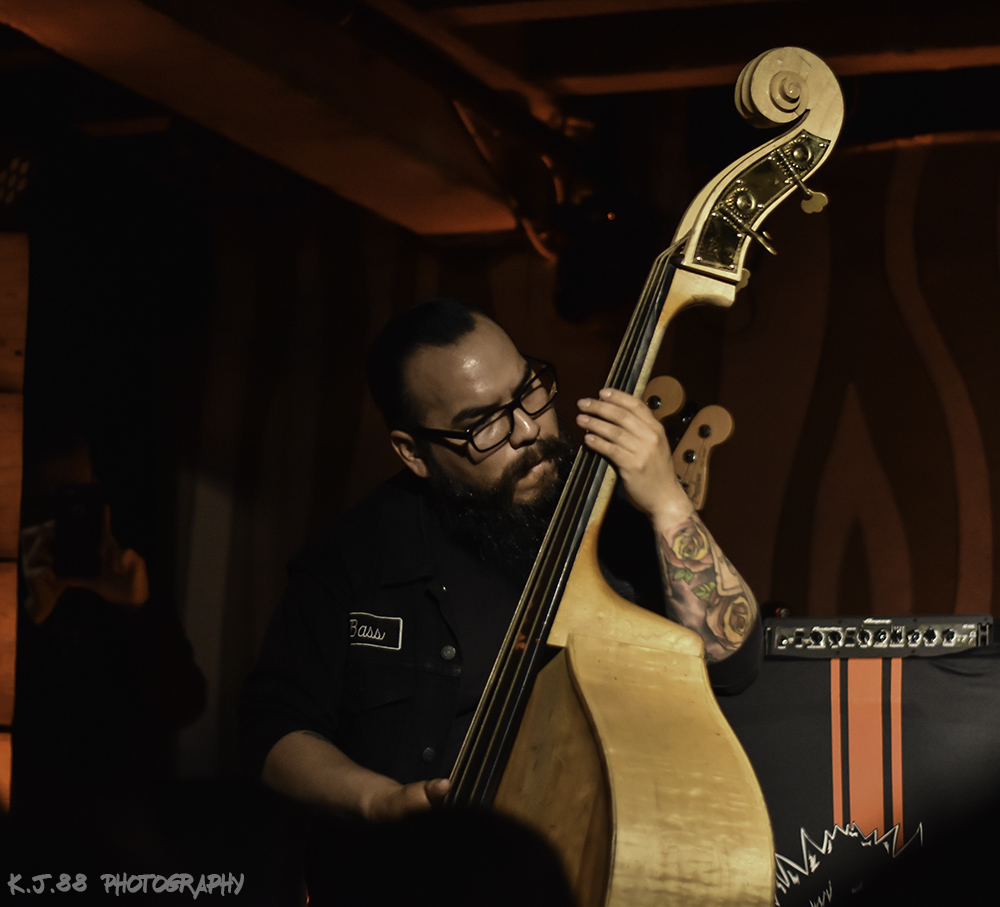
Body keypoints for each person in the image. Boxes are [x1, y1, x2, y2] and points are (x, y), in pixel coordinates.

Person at [240, 299, 761, 890]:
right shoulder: (354, 556)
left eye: (528, 391)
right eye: (481, 423)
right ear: (413, 452)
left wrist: (667, 502)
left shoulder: (618, 514)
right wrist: (379, 801)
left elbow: (733, 664)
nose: (528, 430)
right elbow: (272, 730)